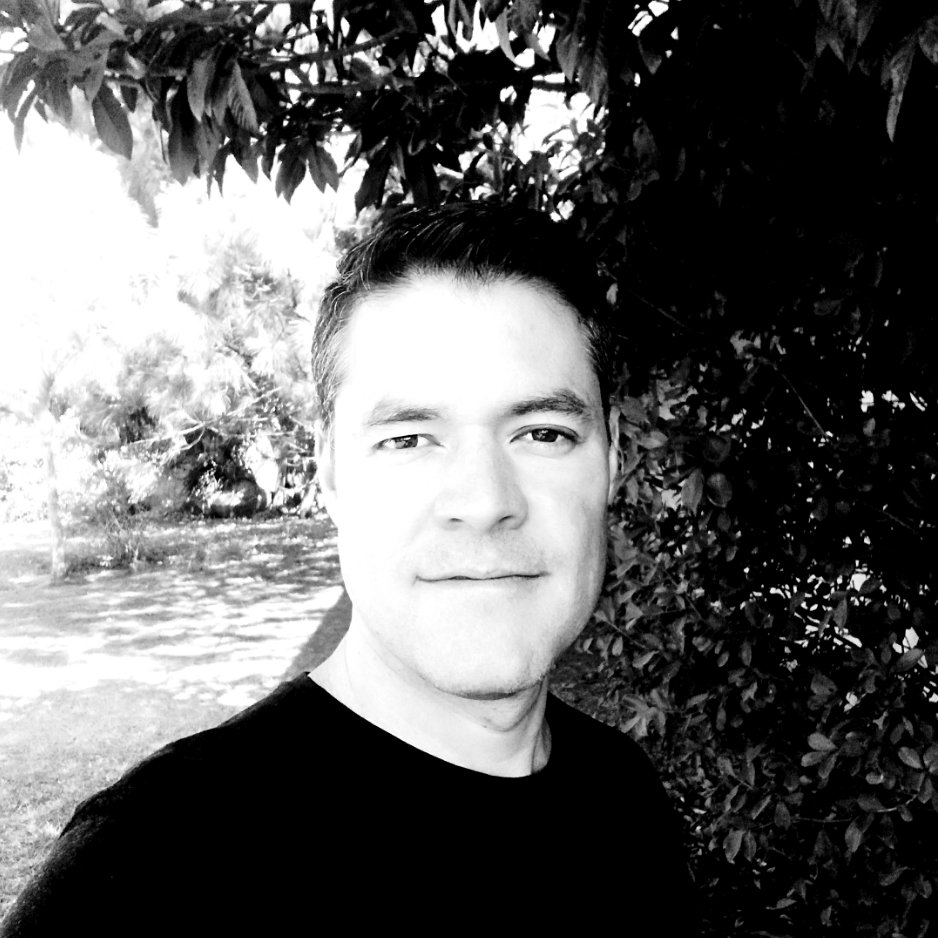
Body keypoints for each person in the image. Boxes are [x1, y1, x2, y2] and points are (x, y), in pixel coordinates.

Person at [1, 202, 697, 936]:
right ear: (330, 470)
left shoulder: (624, 797)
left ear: (611, 457)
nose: (485, 502)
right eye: (409, 439)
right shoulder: (143, 878)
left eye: (543, 433)